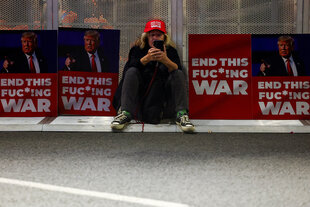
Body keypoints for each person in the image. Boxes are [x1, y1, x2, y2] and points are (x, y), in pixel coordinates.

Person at [111, 19, 195, 133]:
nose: (155, 38)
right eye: (152, 35)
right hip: (141, 99)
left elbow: (178, 71)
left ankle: (182, 114)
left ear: (164, 37)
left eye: (158, 35)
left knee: (178, 73)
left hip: (163, 100)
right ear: (146, 36)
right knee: (131, 72)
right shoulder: (137, 49)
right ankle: (125, 113)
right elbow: (127, 72)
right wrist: (146, 59)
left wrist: (165, 60)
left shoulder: (171, 51)